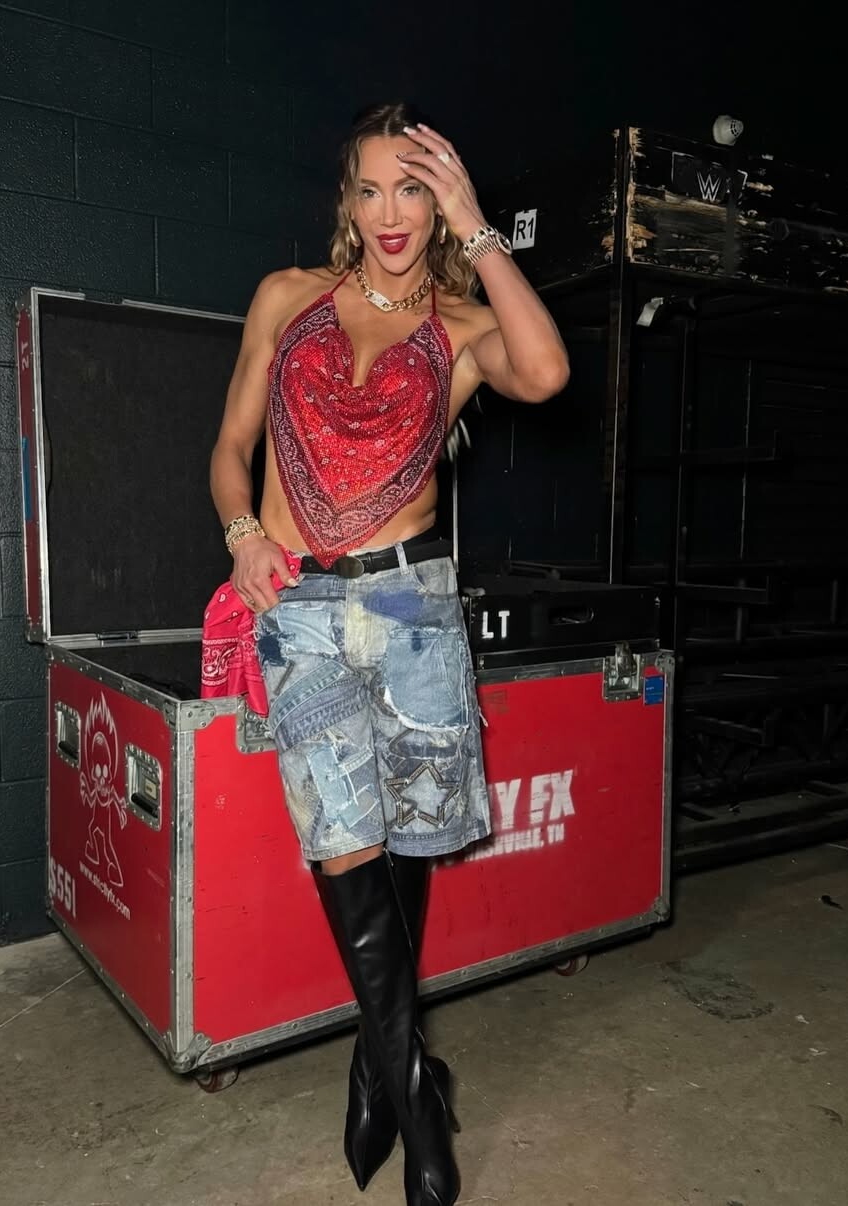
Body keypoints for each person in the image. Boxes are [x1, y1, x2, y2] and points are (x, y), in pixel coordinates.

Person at [209, 101, 569, 1206]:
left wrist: (480, 225)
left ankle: (376, 1062)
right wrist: (244, 531)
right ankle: (421, 1113)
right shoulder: (287, 297)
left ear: (440, 203)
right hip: (302, 610)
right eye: (370, 189)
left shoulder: (462, 326)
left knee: (406, 851)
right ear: (346, 202)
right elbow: (230, 449)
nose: (390, 213)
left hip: (413, 611)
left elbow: (547, 372)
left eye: (413, 189)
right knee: (344, 850)